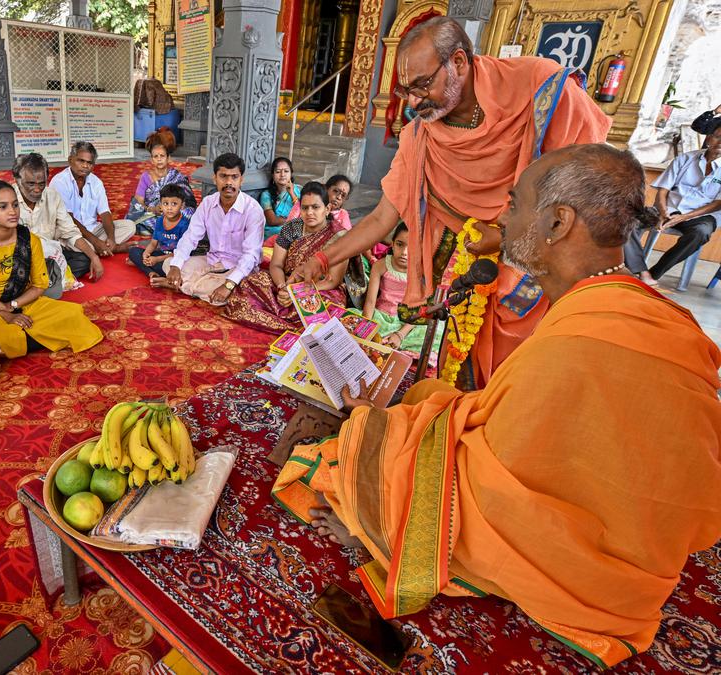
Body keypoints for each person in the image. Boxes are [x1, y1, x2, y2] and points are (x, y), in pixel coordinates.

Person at [275, 144, 721, 668]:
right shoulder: (642, 311)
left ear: (556, 222)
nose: (501, 219)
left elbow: (488, 483)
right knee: (430, 403)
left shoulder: (577, 342)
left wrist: (380, 507)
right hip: (647, 550)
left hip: (593, 574)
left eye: (514, 205)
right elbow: (529, 430)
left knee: (352, 459)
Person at [297, 16, 610, 388]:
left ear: (459, 62)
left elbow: (588, 190)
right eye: (404, 91)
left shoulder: (542, 91)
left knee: (519, 380)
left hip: (538, 273)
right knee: (461, 370)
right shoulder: (420, 136)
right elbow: (382, 218)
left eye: (422, 85)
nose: (412, 102)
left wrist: (508, 243)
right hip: (467, 273)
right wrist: (322, 258)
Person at [0, 180, 103, 359]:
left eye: (15, 205)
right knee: (1, 333)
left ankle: (19, 342)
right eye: (3, 207)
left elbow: (39, 286)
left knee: (73, 314)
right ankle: (26, 339)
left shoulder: (30, 240)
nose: (12, 212)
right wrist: (5, 313)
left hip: (24, 303)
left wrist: (11, 305)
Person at [222, 181, 349, 332]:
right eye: (305, 207)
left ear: (327, 209)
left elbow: (333, 281)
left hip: (318, 288)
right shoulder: (291, 228)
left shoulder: (338, 236)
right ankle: (288, 316)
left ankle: (284, 317)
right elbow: (276, 265)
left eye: (315, 207)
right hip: (286, 281)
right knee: (250, 283)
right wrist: (283, 287)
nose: (309, 213)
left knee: (331, 308)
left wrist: (297, 292)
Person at [623, 114, 720, 286]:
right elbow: (663, 190)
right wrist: (662, 212)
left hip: (699, 216)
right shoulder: (685, 159)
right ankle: (640, 270)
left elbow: (718, 203)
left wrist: (683, 217)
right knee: (628, 219)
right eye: (718, 136)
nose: (720, 143)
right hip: (667, 208)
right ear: (709, 138)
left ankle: (654, 274)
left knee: (701, 233)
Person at [166, 153, 266, 306]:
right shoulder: (208, 203)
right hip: (212, 261)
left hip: (237, 268)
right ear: (215, 178)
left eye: (234, 177)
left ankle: (184, 285)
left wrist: (228, 285)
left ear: (241, 180)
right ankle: (200, 286)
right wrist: (175, 266)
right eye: (223, 176)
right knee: (168, 263)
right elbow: (191, 237)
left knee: (231, 290)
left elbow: (251, 255)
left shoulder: (253, 210)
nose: (229, 182)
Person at [12, 152, 104, 296]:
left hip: (49, 257)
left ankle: (44, 280)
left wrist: (94, 257)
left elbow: (70, 231)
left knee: (84, 258)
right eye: (30, 183)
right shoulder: (7, 199)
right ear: (17, 179)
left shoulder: (52, 196)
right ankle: (47, 280)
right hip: (21, 259)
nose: (37, 189)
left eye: (41, 184)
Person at [361, 223, 438, 352]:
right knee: (355, 329)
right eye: (399, 244)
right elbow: (370, 302)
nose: (404, 252)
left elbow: (424, 309)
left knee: (432, 336)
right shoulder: (380, 266)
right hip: (381, 317)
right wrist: (367, 329)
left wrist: (400, 334)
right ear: (392, 243)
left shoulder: (423, 272)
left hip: (410, 321)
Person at [50, 141, 136, 257]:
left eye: (89, 163)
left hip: (93, 230)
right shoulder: (60, 182)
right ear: (70, 160)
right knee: (73, 240)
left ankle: (105, 247)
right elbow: (68, 219)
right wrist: (95, 241)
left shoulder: (96, 182)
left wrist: (111, 239)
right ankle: (104, 249)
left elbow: (105, 213)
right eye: (81, 161)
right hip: (70, 232)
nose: (85, 166)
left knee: (129, 226)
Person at [128, 184, 193, 285]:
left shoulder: (184, 225)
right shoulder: (159, 220)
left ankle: (150, 268)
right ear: (161, 205)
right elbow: (153, 244)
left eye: (174, 204)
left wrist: (156, 259)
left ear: (182, 205)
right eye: (166, 204)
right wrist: (146, 254)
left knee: (178, 268)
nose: (169, 208)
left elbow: (182, 252)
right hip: (161, 255)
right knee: (133, 251)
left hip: (175, 259)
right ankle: (151, 273)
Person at [127, 133, 196, 228]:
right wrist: (152, 209)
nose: (159, 159)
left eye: (162, 156)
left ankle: (165, 227)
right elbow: (138, 203)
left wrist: (172, 207)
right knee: (137, 221)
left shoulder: (176, 177)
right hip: (153, 214)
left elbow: (188, 200)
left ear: (168, 158)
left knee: (189, 213)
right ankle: (170, 227)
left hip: (174, 211)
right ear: (151, 160)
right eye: (156, 156)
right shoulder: (146, 176)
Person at [260, 156, 302, 236]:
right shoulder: (266, 195)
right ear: (272, 175)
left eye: (286, 171)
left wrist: (292, 194)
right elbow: (272, 220)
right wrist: (294, 220)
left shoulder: (298, 191)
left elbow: (303, 213)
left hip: (294, 233)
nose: (282, 175)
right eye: (278, 172)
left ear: (291, 174)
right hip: (273, 234)